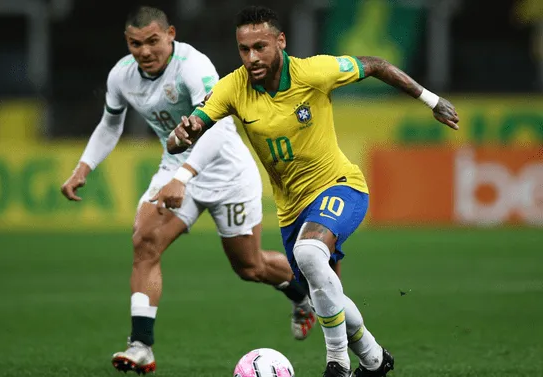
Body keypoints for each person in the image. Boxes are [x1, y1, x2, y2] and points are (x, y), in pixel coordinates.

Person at [165, 5, 459, 377]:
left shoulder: (313, 72)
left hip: (341, 186)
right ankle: (374, 359)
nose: (252, 58)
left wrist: (431, 101)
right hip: (291, 212)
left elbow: (377, 64)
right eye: (244, 49)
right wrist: (182, 134)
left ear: (280, 42)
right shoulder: (232, 87)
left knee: (309, 253)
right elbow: (185, 136)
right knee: (326, 289)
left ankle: (337, 363)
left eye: (260, 46)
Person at [59, 6, 315, 375]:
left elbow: (218, 126)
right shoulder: (122, 76)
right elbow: (110, 125)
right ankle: (141, 346)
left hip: (226, 171)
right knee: (145, 240)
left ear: (170, 34)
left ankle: (301, 292)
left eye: (152, 41)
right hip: (176, 171)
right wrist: (83, 167)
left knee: (250, 266)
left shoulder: (194, 67)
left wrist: (184, 175)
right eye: (135, 44)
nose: (145, 51)